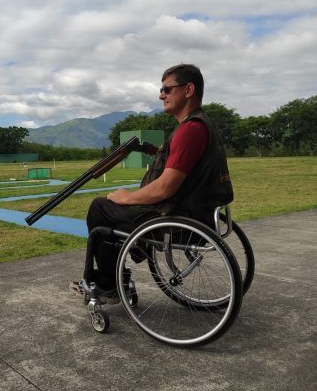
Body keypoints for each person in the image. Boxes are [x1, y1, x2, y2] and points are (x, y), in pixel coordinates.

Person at [69, 63, 233, 303]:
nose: (161, 95)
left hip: (180, 219)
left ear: (188, 90)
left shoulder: (189, 130)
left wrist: (127, 198)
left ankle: (109, 285)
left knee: (100, 208)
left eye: (167, 89)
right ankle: (131, 255)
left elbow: (166, 187)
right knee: (120, 209)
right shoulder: (203, 125)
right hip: (202, 215)